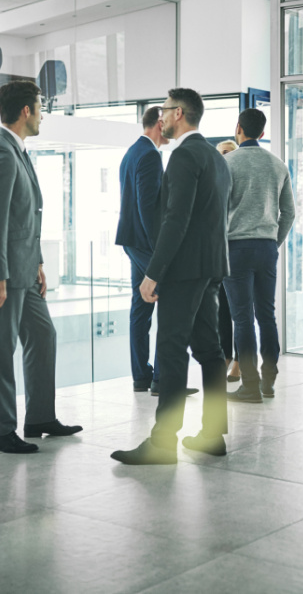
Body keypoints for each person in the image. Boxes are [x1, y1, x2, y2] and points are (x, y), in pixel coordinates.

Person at [111, 87, 232, 465]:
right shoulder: (215, 157)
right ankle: (212, 435)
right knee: (210, 350)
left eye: (164, 110)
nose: (159, 116)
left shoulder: (182, 157)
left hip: (183, 270)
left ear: (179, 113)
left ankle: (163, 443)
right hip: (212, 266)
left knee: (171, 348)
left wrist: (154, 272)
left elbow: (175, 219)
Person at [0, 80, 82, 454]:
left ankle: (39, 417)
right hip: (5, 274)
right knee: (0, 351)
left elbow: (23, 215)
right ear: (25, 112)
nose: (42, 115)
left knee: (43, 335)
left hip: (23, 269)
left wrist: (36, 263)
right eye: (40, 106)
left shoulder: (15, 150)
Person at [115, 107, 198, 398]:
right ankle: (163, 380)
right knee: (170, 303)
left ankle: (142, 376)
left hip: (131, 240)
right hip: (145, 243)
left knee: (141, 307)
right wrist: (160, 254)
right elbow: (148, 207)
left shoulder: (132, 152)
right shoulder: (150, 155)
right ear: (159, 125)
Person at [223, 108, 295, 403]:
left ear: (238, 128)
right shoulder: (278, 165)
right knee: (267, 315)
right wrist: (272, 242)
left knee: (242, 319)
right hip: (266, 248)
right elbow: (288, 213)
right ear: (263, 133)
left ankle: (249, 386)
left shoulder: (227, 163)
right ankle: (268, 384)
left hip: (235, 248)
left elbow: (216, 209)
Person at [214, 140, 236, 382]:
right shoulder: (214, 182)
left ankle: (239, 359)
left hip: (238, 251)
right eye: (222, 154)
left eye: (230, 154)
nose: (226, 158)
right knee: (221, 311)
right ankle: (226, 356)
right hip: (220, 253)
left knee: (238, 312)